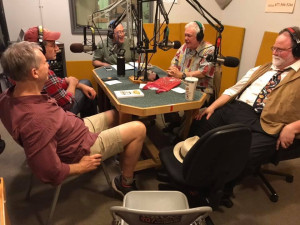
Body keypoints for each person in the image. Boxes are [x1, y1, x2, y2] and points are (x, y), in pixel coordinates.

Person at [0, 41, 146, 197]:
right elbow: (48, 171)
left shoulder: (8, 96)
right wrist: (79, 167)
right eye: (45, 63)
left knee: (118, 114)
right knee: (139, 128)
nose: (49, 66)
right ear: (34, 73)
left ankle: (123, 153)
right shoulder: (37, 119)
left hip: (73, 129)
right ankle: (125, 183)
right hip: (79, 149)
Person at [190, 26, 300, 178]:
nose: (274, 53)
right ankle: (191, 170)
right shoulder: (262, 69)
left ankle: (217, 188)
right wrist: (212, 107)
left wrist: (294, 127)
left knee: (239, 156)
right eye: (273, 48)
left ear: (297, 50)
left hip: (267, 124)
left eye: (280, 50)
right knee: (201, 123)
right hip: (237, 109)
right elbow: (233, 90)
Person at [24, 26, 98, 117]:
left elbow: (58, 82)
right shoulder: (43, 72)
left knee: (84, 84)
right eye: (52, 45)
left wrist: (79, 84)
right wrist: (73, 84)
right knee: (86, 85)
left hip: (43, 111)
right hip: (56, 115)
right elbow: (67, 103)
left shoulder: (25, 67)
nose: (57, 49)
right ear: (40, 48)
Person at [164, 21, 215, 133]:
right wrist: (173, 69)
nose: (186, 38)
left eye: (189, 36)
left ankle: (182, 134)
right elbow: (174, 61)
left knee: (189, 104)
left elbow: (203, 72)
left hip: (200, 89)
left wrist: (182, 75)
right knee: (164, 93)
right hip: (181, 83)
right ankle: (175, 121)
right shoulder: (184, 47)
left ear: (199, 37)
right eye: (185, 35)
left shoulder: (210, 50)